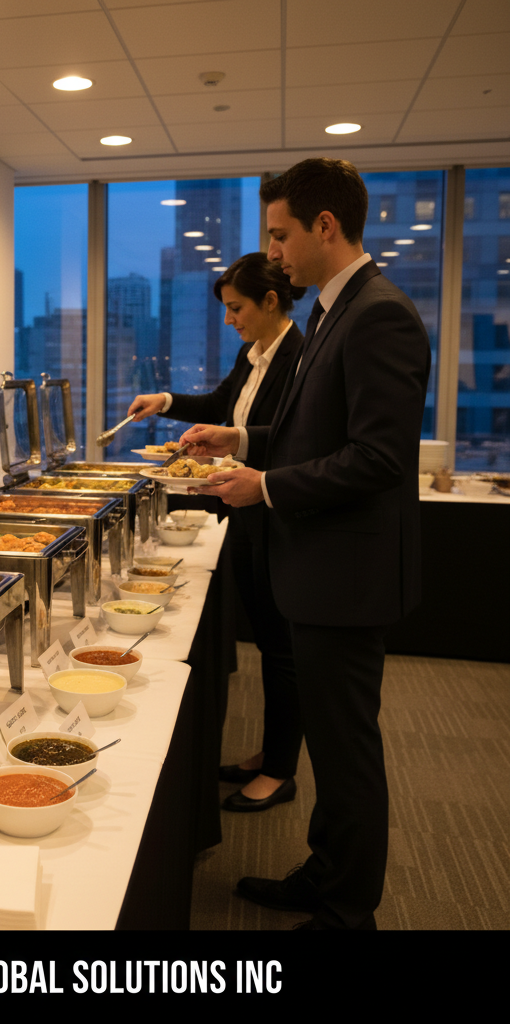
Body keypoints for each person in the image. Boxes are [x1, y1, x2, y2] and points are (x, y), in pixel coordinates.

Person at [180, 158, 431, 929]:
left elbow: (378, 458)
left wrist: (266, 485)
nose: (275, 252)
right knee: (328, 738)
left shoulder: (379, 312)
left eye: (281, 234)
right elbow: (312, 428)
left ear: (327, 227)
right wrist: (244, 435)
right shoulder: (332, 311)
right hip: (320, 567)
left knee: (347, 749)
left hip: (346, 576)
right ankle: (326, 872)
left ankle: (349, 906)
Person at [128, 253, 304, 811]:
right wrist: (168, 402)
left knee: (281, 650)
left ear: (270, 302)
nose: (230, 320)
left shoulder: (300, 356)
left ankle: (280, 770)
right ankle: (270, 752)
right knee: (270, 642)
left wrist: (238, 441)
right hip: (246, 514)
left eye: (236, 308)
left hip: (278, 515)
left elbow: (292, 436)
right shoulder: (251, 354)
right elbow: (223, 410)